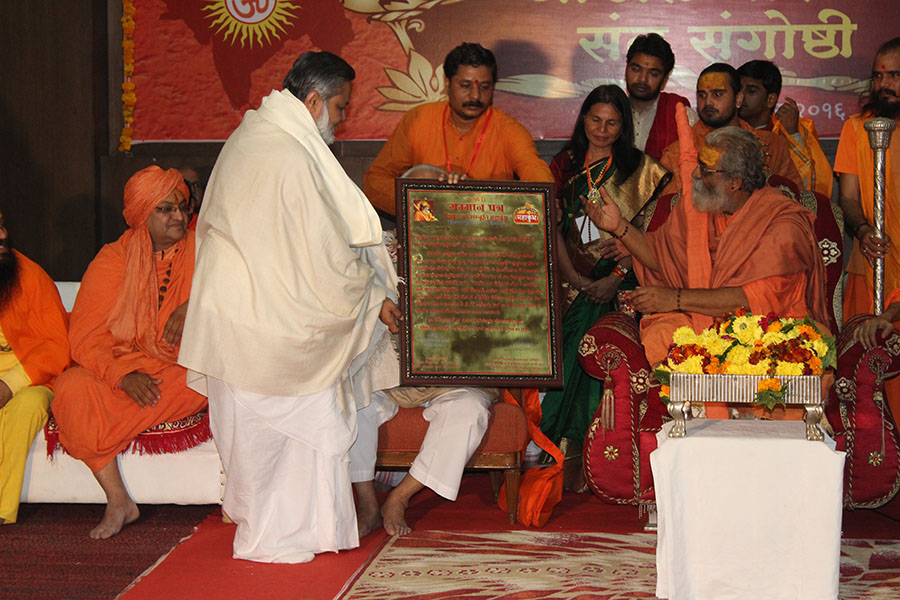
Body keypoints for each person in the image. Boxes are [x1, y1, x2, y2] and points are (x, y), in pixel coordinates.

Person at [178, 51, 401, 564]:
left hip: (249, 316)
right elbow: (324, 250)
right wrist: (372, 297)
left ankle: (286, 532)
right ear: (314, 100)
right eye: (341, 108)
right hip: (265, 322)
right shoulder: (284, 152)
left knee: (272, 435)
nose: (342, 120)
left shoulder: (257, 136)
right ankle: (281, 537)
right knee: (287, 428)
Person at [586, 122, 829, 419]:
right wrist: (619, 226)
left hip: (766, 327)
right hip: (704, 324)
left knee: (789, 356)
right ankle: (698, 422)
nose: (695, 175)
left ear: (735, 182)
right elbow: (660, 255)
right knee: (662, 332)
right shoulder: (701, 207)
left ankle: (749, 424)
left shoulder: (782, 226)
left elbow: (751, 300)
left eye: (706, 170)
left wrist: (674, 299)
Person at [52, 166, 206, 538]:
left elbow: (242, 291)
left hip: (182, 368)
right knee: (70, 391)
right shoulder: (112, 261)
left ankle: (109, 431)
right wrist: (122, 377)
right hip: (124, 366)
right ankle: (119, 499)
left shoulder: (206, 246)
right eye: (165, 209)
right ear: (142, 215)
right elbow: (86, 339)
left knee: (208, 378)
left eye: (182, 207)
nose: (179, 217)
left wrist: (197, 304)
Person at [538, 85, 670, 477]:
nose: (602, 128)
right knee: (569, 347)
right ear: (583, 119)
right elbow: (554, 231)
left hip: (626, 283)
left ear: (624, 126)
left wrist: (616, 274)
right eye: (595, 119)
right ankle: (561, 449)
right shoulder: (563, 167)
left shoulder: (640, 170)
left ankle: (605, 453)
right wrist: (578, 279)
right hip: (569, 282)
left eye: (612, 122)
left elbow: (654, 235)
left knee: (604, 341)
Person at [363, 42, 553, 215]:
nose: (475, 96)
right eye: (465, 85)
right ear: (447, 84)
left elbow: (536, 173)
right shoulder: (419, 120)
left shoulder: (509, 130)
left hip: (490, 233)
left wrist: (474, 199)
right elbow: (375, 182)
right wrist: (426, 202)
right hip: (429, 230)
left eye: (485, 87)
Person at [835, 37, 900, 420]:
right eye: (877, 76)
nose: (883, 84)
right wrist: (861, 231)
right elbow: (848, 197)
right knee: (867, 370)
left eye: (893, 75)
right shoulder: (857, 128)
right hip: (870, 264)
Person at [0, 212, 69, 525]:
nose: (2, 235)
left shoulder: (29, 276)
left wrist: (9, 384)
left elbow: (58, 347)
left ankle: (2, 510)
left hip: (32, 379)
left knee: (27, 406)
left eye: (1, 225)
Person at [658, 63, 803, 197]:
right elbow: (667, 210)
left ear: (738, 99)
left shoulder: (772, 145)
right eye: (702, 95)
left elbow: (795, 199)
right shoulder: (676, 154)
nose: (708, 102)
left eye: (718, 94)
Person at [738, 60, 834, 198]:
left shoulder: (794, 129)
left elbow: (813, 187)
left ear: (770, 100)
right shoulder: (727, 129)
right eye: (738, 89)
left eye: (751, 91)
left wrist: (792, 134)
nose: (741, 96)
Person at [624, 33, 697, 160]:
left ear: (664, 80)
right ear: (626, 69)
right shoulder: (611, 111)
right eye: (636, 69)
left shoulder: (681, 115)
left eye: (653, 73)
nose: (642, 79)